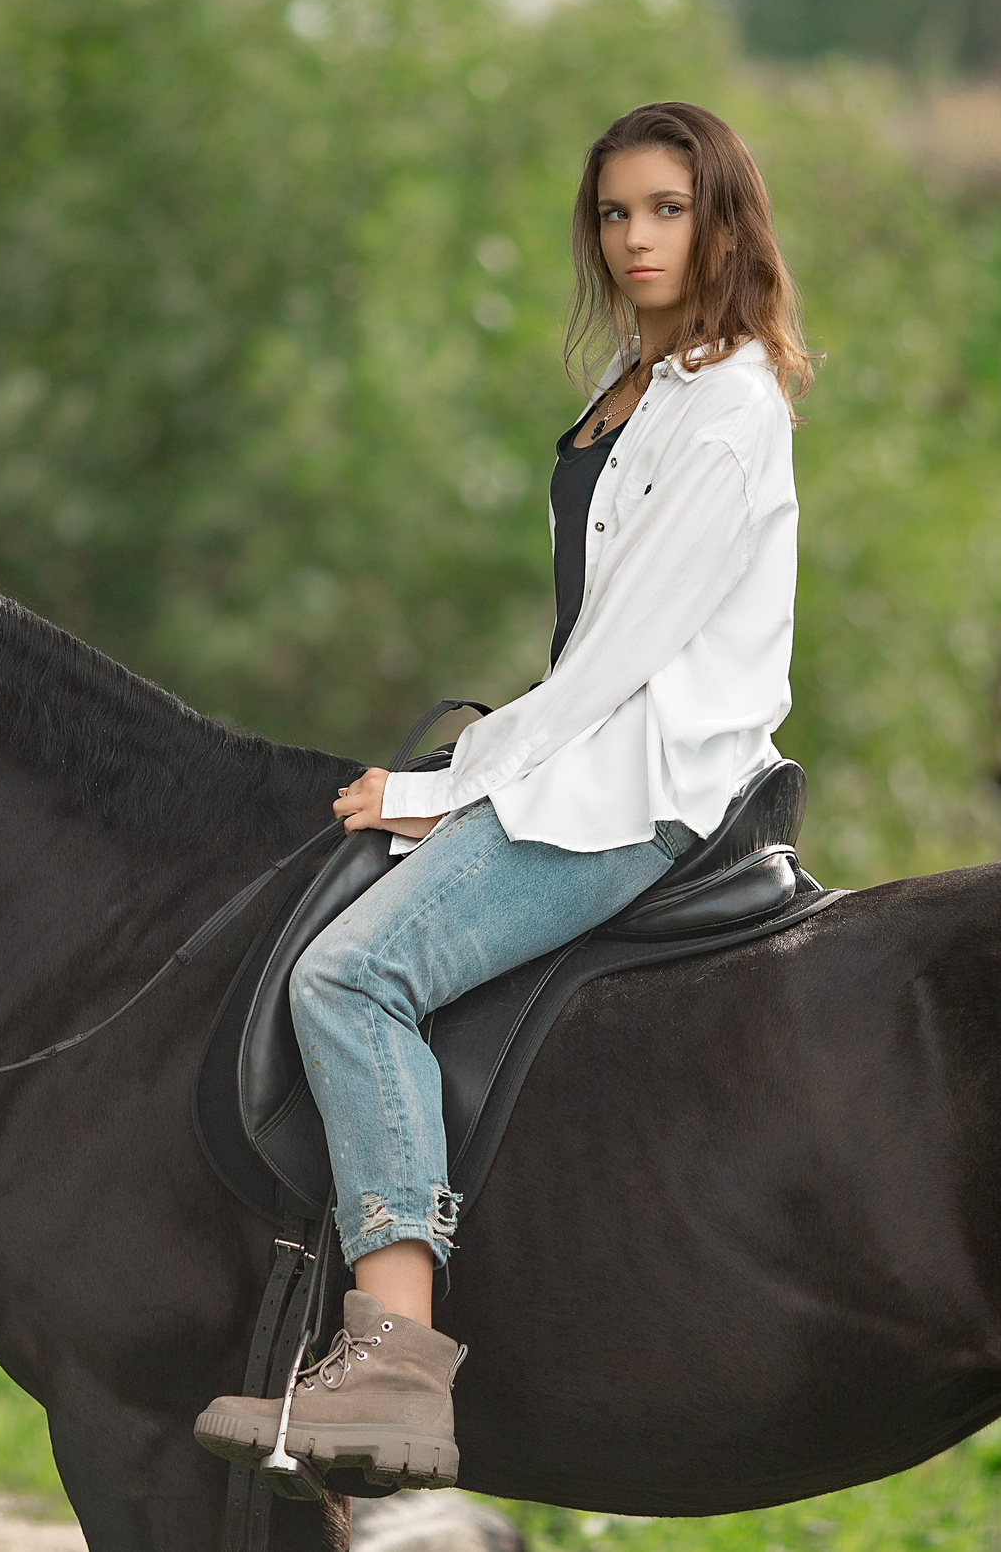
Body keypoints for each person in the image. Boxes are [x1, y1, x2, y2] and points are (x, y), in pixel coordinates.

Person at [194, 100, 812, 1490]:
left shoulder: (725, 405)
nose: (638, 237)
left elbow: (618, 656)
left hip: (642, 783)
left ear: (723, 219)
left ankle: (398, 1366)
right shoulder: (639, 380)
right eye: (615, 212)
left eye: (668, 207)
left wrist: (446, 785)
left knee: (350, 978)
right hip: (583, 758)